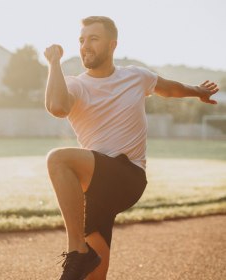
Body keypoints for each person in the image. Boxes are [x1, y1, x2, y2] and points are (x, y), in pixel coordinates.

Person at [44, 16, 219, 280]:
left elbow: (170, 89)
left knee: (58, 159)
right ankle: (83, 255)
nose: (85, 45)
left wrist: (197, 90)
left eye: (93, 38)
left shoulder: (135, 76)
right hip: (96, 188)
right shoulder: (76, 85)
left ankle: (77, 250)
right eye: (81, 40)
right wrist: (54, 62)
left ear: (112, 44)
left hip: (129, 175)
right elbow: (58, 107)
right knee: (91, 274)